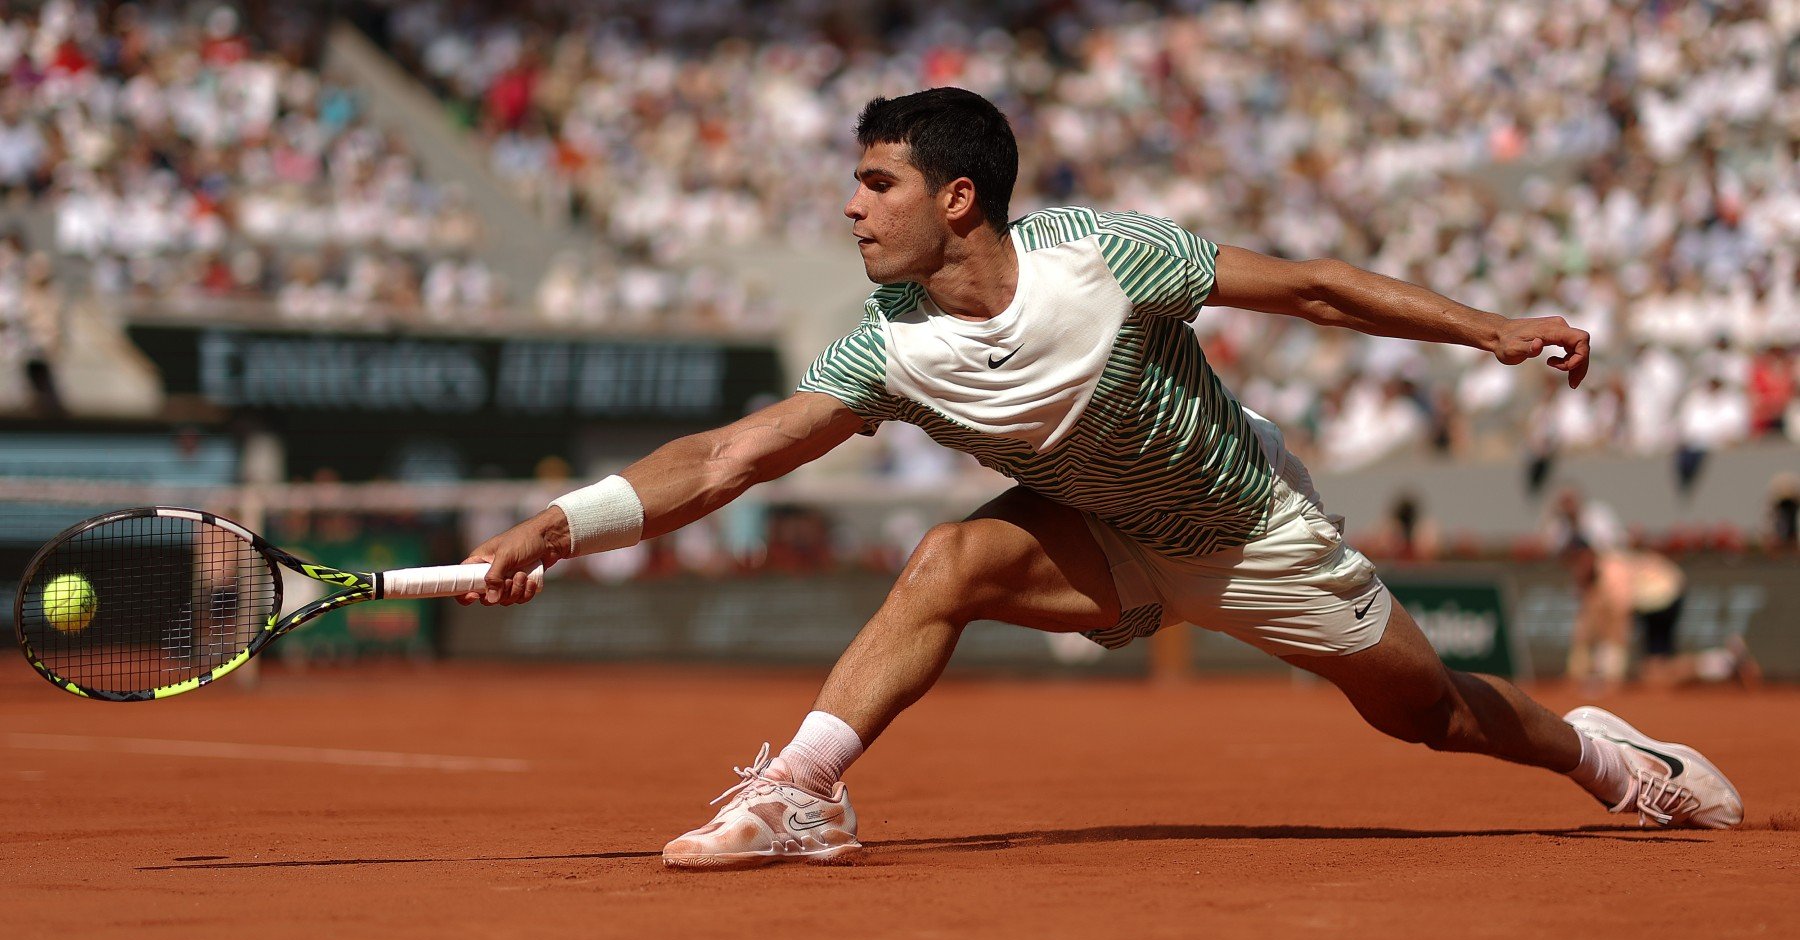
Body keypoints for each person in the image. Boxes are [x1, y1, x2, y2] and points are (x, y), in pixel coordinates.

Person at [460, 89, 1743, 869]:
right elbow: (730, 456)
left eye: (875, 183)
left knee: (1429, 714)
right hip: (1099, 532)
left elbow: (1306, 284)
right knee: (947, 562)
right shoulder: (887, 345)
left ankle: (1605, 758)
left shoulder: (1103, 253)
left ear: (957, 197)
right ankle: (800, 792)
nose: (851, 209)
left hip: (1252, 529)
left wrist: (1487, 328)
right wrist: (563, 524)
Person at [1562, 540, 1761, 694]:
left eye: (1577, 561)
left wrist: (1611, 671)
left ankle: (1725, 661)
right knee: (1657, 673)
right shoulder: (1598, 574)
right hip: (1663, 591)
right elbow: (1589, 620)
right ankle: (1725, 661)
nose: (1575, 569)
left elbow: (1619, 621)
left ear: (1588, 557)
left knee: (1655, 674)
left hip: (1662, 595)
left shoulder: (1612, 573)